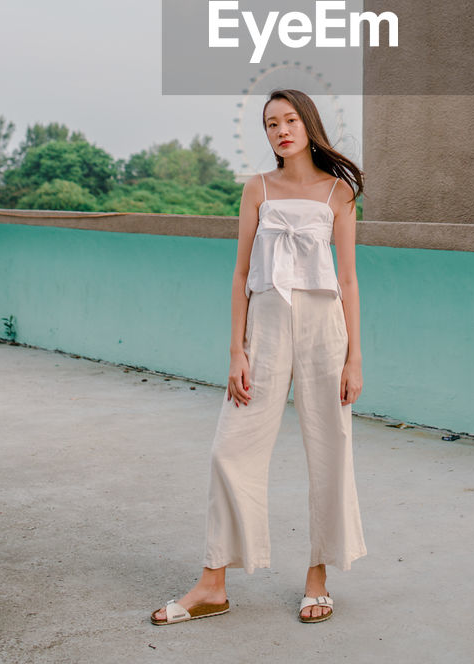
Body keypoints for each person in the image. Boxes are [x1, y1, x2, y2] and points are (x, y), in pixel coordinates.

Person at [151, 88, 366, 627]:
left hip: (324, 329)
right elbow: (241, 274)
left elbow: (347, 280)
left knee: (329, 449)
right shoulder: (257, 189)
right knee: (230, 448)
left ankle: (317, 578)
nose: (280, 130)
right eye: (271, 124)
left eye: (290, 119)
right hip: (265, 329)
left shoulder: (339, 193)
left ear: (308, 124)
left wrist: (354, 357)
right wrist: (236, 352)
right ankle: (212, 583)